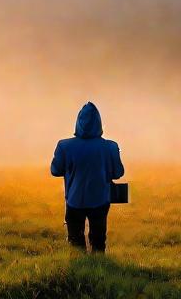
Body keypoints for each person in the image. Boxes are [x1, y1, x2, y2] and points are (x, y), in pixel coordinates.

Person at [50, 101, 124, 253]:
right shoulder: (111, 146)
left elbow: (55, 170)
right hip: (101, 200)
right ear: (99, 123)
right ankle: (99, 270)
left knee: (75, 242)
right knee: (98, 240)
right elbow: (118, 173)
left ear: (78, 122)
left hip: (74, 200)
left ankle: (79, 270)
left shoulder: (64, 146)